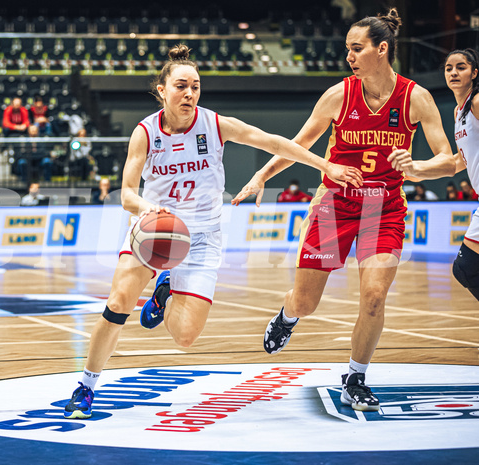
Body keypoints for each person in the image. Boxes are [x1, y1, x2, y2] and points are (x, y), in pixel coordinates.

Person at [62, 44, 364, 419]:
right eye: (181, 87)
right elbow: (125, 194)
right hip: (156, 229)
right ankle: (86, 386)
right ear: (162, 90)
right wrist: (145, 207)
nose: (189, 94)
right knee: (119, 303)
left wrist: (326, 165)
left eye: (196, 86)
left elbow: (273, 141)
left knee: (186, 337)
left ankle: (166, 290)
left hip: (202, 237)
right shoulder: (145, 133)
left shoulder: (215, 124)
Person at [232, 8, 455, 412]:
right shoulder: (339, 95)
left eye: (357, 48)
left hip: (384, 208)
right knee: (305, 302)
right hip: (334, 205)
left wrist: (419, 167)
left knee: (373, 296)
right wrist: (263, 174)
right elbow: (299, 144)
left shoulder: (415, 98)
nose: (349, 57)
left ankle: (355, 376)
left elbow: (448, 158)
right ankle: (287, 316)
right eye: (347, 49)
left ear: (381, 49)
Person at [444, 49, 479, 301]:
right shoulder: (459, 112)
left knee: (465, 268)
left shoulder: (477, 102)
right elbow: (459, 160)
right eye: (448, 68)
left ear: (474, 73)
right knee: (466, 269)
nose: (454, 72)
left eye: (461, 67)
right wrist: (415, 171)